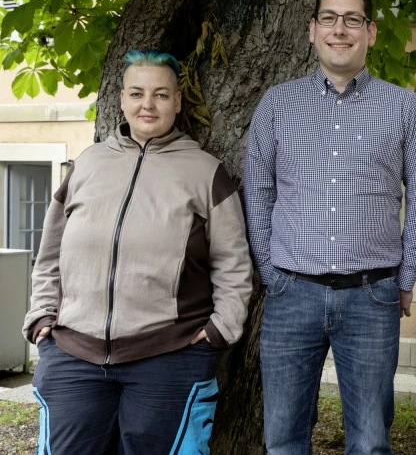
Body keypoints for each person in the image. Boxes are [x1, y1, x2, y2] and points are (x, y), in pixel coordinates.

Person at [244, 0, 416, 455]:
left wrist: (406, 276)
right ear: (312, 30)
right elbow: (257, 190)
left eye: (352, 19)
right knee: (283, 439)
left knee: (371, 442)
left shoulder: (406, 108)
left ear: (370, 32)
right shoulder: (276, 104)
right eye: (329, 18)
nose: (340, 29)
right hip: (292, 292)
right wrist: (273, 274)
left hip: (372, 297)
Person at [21, 49, 254, 454]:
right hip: (73, 354)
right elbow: (49, 254)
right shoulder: (88, 165)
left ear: (178, 102)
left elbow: (233, 265)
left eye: (161, 95)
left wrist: (218, 332)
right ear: (122, 99)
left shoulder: (205, 172)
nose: (148, 104)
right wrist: (42, 317)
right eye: (137, 93)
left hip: (169, 355)